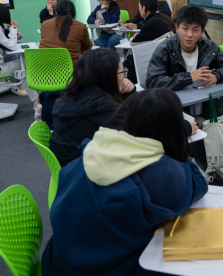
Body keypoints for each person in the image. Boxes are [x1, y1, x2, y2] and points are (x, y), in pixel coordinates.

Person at [42, 89, 208, 276]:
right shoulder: (158, 174)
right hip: (101, 269)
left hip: (59, 262)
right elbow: (198, 183)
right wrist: (176, 144)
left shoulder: (93, 148)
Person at [146, 4, 223, 183]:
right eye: (185, 28)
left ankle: (219, 159)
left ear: (202, 31)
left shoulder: (208, 46)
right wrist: (189, 77)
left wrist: (216, 77)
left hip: (201, 98)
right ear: (176, 27)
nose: (189, 34)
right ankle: (203, 163)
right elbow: (153, 81)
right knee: (200, 123)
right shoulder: (165, 48)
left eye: (195, 30)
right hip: (173, 102)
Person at [48, 48, 136, 167]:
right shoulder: (106, 111)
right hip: (91, 171)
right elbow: (135, 139)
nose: (124, 77)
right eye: (122, 72)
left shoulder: (68, 97)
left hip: (69, 167)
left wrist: (125, 94)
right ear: (108, 77)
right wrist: (130, 96)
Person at [122, 0, 175, 85]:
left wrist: (140, 28)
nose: (139, 10)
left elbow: (133, 42)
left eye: (139, 7)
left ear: (144, 8)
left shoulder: (151, 23)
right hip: (164, 58)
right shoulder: (163, 18)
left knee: (128, 58)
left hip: (151, 59)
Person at [40, 0, 92, 66]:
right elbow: (87, 47)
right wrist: (78, 48)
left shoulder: (45, 24)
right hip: (68, 69)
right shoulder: (81, 26)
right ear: (73, 11)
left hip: (43, 68)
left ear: (56, 11)